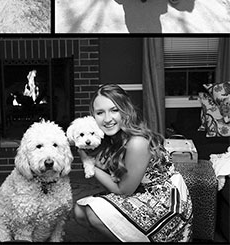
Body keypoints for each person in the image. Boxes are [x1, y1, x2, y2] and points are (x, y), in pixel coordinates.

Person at [74, 84, 193, 242]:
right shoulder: (113, 139)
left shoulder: (137, 142)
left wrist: (87, 163)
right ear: (93, 116)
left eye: (114, 110)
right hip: (140, 193)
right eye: (100, 113)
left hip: (164, 204)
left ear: (125, 111)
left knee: (92, 213)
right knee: (79, 211)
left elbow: (123, 190)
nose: (107, 119)